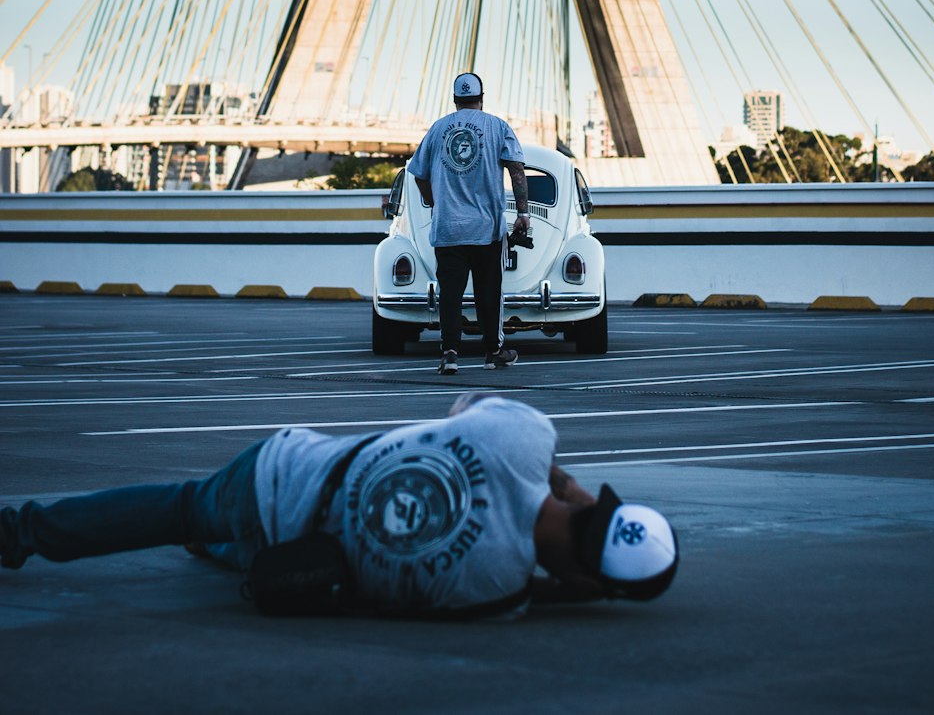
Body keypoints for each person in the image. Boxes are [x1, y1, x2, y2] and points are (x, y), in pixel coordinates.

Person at [0, 395, 679, 617]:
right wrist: (573, 588)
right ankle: (214, 546)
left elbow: (463, 406)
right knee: (251, 546)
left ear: (592, 504)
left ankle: (21, 531)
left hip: (281, 472)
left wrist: (556, 479)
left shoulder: (522, 435)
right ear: (586, 582)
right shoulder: (495, 592)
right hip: (290, 563)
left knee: (182, 507)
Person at [408, 72, 530, 374]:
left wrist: (437, 202)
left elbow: (419, 173)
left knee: (450, 295)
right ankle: (493, 352)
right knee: (488, 293)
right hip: (485, 229)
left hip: (447, 228)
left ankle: (449, 353)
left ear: (454, 100)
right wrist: (523, 214)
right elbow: (516, 171)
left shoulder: (437, 130)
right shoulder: (498, 127)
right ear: (482, 98)